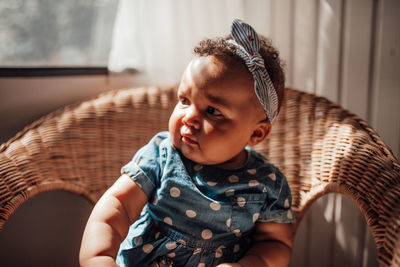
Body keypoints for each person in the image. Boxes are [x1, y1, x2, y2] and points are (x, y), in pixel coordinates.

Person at [80, 19, 295, 267]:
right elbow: (117, 207)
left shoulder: (268, 183)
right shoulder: (161, 156)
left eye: (213, 111)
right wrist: (99, 256)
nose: (189, 117)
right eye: (184, 100)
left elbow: (276, 244)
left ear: (257, 134)